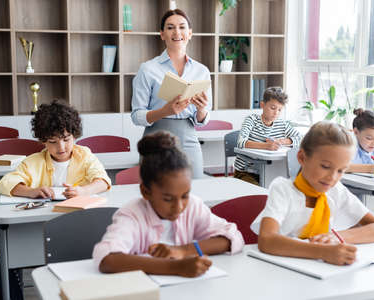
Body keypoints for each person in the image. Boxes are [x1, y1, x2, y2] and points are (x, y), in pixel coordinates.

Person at [93, 131, 244, 277]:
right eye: (168, 199)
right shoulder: (132, 214)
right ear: (146, 192)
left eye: (185, 195)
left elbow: (233, 237)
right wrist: (175, 267)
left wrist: (182, 251)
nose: (178, 207)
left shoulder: (193, 206)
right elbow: (107, 259)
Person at [252, 121, 374, 265]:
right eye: (325, 166)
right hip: (278, 268)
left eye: (341, 170)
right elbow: (267, 240)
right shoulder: (283, 189)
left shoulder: (336, 191)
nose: (332, 177)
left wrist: (336, 237)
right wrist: (323, 252)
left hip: (318, 270)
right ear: (302, 158)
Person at [131, 9, 212, 179]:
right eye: (170, 28)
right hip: (155, 139)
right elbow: (136, 115)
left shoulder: (201, 71)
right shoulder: (148, 69)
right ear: (162, 34)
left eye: (182, 27)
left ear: (190, 33)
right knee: (156, 194)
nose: (177, 32)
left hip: (189, 138)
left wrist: (202, 110)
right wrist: (165, 111)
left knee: (196, 191)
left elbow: (202, 120)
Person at [0, 100, 111, 199]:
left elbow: (103, 181)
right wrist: (31, 192)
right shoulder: (33, 162)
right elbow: (4, 184)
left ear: (74, 136)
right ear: (43, 141)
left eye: (66, 139)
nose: (61, 147)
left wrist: (84, 191)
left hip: (78, 214)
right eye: (52, 142)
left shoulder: (84, 155)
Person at [234, 87, 302, 185]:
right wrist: (266, 146)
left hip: (273, 172)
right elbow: (241, 142)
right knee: (259, 194)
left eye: (280, 110)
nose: (276, 113)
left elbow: (300, 138)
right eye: (273, 108)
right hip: (247, 172)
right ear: (262, 105)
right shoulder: (251, 120)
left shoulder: (282, 124)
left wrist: (281, 141)